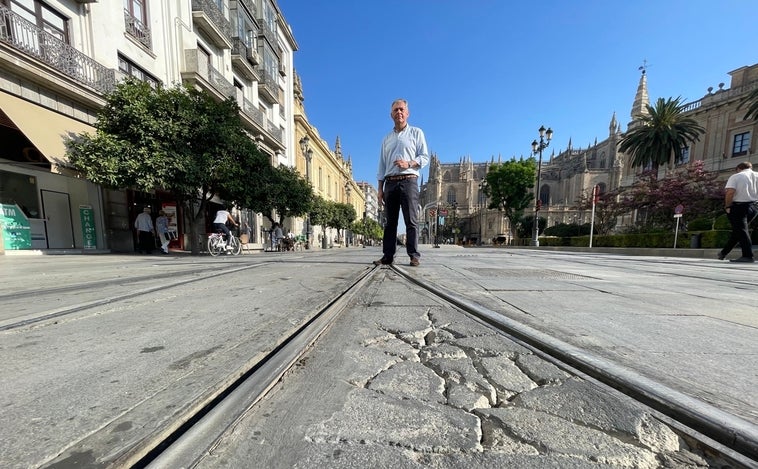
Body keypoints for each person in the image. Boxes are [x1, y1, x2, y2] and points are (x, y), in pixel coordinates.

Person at [373, 98, 429, 267]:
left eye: (401, 109)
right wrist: (380, 190)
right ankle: (387, 256)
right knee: (390, 223)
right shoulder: (386, 139)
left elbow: (424, 157)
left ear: (407, 113)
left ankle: (413, 255)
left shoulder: (417, 133)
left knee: (411, 220)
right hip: (390, 183)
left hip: (409, 181)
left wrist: (409, 163)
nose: (399, 112)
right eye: (396, 110)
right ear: (391, 115)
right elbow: (381, 166)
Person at [718, 161, 758, 263]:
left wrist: (728, 206)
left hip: (739, 206)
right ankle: (723, 253)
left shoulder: (736, 176)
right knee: (739, 231)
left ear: (738, 168)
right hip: (754, 207)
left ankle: (748, 255)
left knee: (741, 230)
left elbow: (730, 192)